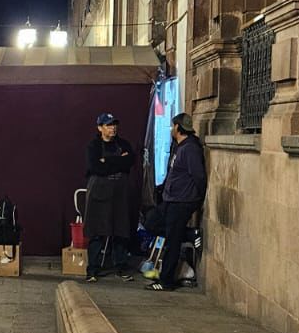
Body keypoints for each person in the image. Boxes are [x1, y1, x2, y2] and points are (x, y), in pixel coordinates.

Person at [147, 112, 207, 292]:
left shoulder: (190, 149)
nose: (171, 129)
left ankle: (166, 281)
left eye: (173, 126)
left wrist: (196, 199)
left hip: (182, 201)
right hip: (170, 199)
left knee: (172, 241)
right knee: (151, 222)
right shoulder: (179, 147)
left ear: (178, 128)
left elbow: (199, 177)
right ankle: (190, 234)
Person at [84, 113, 136, 282]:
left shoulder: (124, 144)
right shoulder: (93, 146)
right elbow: (96, 167)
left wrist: (107, 161)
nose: (112, 128)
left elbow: (129, 162)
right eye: (108, 125)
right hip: (99, 192)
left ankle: (121, 267)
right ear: (100, 128)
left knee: (121, 229)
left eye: (114, 124)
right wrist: (116, 162)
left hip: (119, 193)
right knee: (97, 231)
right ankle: (93, 269)